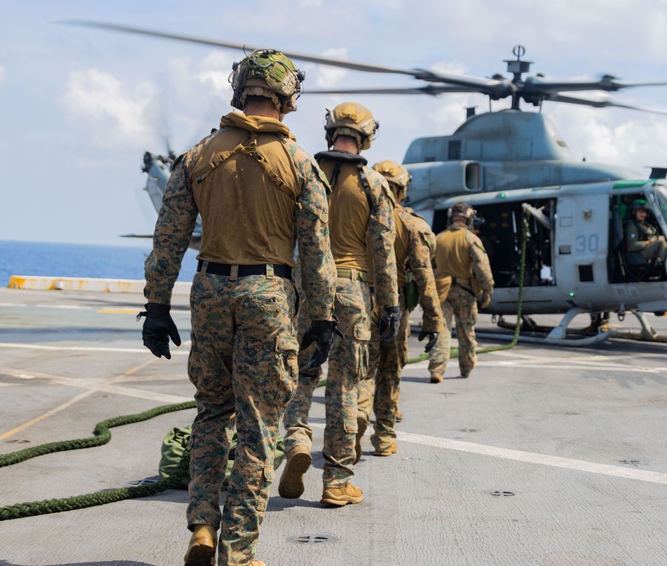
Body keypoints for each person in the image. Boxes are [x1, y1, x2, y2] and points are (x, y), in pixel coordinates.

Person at [139, 49, 337, 566]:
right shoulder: (300, 164)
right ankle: (239, 551)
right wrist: (323, 318)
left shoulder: (199, 155)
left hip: (208, 291)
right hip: (267, 296)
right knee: (258, 425)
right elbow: (317, 251)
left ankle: (202, 527)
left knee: (211, 413)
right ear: (286, 95)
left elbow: (167, 239)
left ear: (241, 87)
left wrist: (156, 305)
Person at [279, 101, 399, 507]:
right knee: (346, 388)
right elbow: (383, 254)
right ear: (366, 137)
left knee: (301, 376)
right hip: (352, 293)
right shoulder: (374, 184)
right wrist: (391, 305)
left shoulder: (304, 173)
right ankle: (336, 480)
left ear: (331, 132)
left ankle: (295, 438)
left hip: (305, 288)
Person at [357, 160, 444, 456]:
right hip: (397, 308)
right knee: (390, 372)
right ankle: (383, 436)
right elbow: (424, 276)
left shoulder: (356, 216)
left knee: (362, 370)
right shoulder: (412, 224)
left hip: (358, 302)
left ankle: (357, 413)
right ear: (403, 191)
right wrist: (434, 320)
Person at [428, 202, 494, 382]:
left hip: (442, 291)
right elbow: (482, 268)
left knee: (441, 330)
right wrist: (487, 290)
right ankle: (466, 367)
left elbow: (427, 266)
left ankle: (437, 369)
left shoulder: (438, 238)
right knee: (466, 331)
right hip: (465, 292)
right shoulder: (471, 239)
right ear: (469, 219)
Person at [623, 202, 667, 266]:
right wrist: (650, 242)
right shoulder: (631, 227)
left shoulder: (645, 224)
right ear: (634, 212)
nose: (643, 214)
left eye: (644, 212)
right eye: (640, 211)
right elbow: (631, 246)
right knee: (660, 243)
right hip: (640, 252)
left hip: (647, 249)